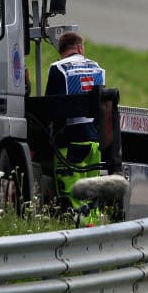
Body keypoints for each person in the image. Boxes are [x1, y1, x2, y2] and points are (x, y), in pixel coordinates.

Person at [45, 32, 106, 211]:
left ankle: (80, 232)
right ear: (80, 48)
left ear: (61, 50)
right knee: (92, 197)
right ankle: (94, 230)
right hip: (94, 143)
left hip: (69, 145)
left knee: (73, 200)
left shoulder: (58, 68)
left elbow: (51, 107)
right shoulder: (97, 68)